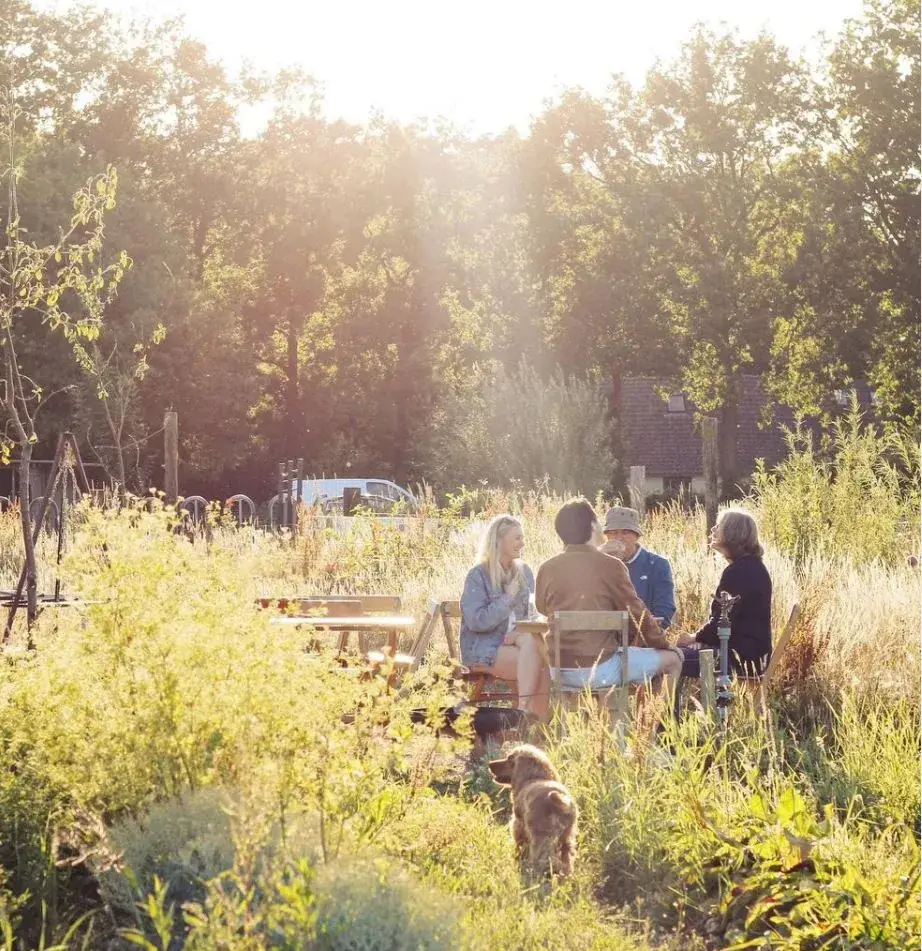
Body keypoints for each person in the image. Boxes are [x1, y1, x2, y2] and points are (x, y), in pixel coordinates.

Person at [534, 498, 683, 698]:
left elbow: (542, 608)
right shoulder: (611, 565)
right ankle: (654, 726)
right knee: (674, 660)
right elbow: (636, 612)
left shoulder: (547, 567)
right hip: (602, 668)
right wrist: (664, 645)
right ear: (593, 527)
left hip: (559, 669)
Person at [460, 515, 550, 720]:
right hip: (484, 648)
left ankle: (527, 716)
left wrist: (519, 631)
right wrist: (507, 597)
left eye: (523, 538)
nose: (523, 543)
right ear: (499, 541)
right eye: (517, 538)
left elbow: (531, 614)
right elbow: (477, 621)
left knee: (535, 647)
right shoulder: (478, 575)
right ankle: (528, 720)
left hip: (518, 642)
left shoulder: (524, 571)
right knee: (540, 663)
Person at [676, 509, 772, 678]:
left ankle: (671, 706)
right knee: (677, 654)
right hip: (748, 652)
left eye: (719, 526)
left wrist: (694, 638)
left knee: (669, 659)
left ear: (732, 533)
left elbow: (723, 623)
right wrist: (701, 639)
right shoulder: (751, 567)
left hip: (739, 657)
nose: (713, 529)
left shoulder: (739, 572)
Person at [600, 506, 676, 628]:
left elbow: (664, 613)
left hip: (642, 639)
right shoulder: (597, 564)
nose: (619, 538)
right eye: (613, 533)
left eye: (625, 532)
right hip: (603, 637)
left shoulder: (657, 565)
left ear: (636, 536)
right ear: (607, 537)